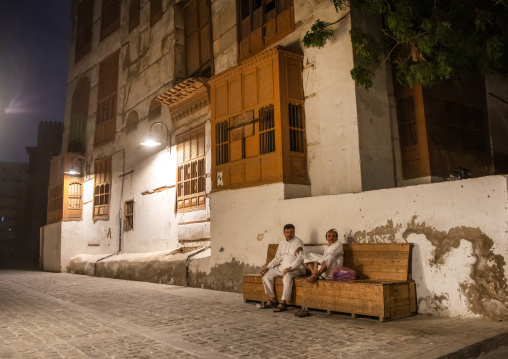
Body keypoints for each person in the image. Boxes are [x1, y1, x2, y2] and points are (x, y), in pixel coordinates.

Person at [260, 224, 305, 312]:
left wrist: (291, 268)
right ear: (284, 233)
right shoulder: (282, 243)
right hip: (282, 267)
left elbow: (300, 258)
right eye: (287, 232)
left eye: (291, 232)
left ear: (294, 232)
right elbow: (277, 258)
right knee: (266, 275)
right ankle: (272, 299)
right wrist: (268, 268)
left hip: (296, 268)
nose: (289, 234)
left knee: (287, 276)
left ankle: (283, 302)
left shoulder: (298, 242)